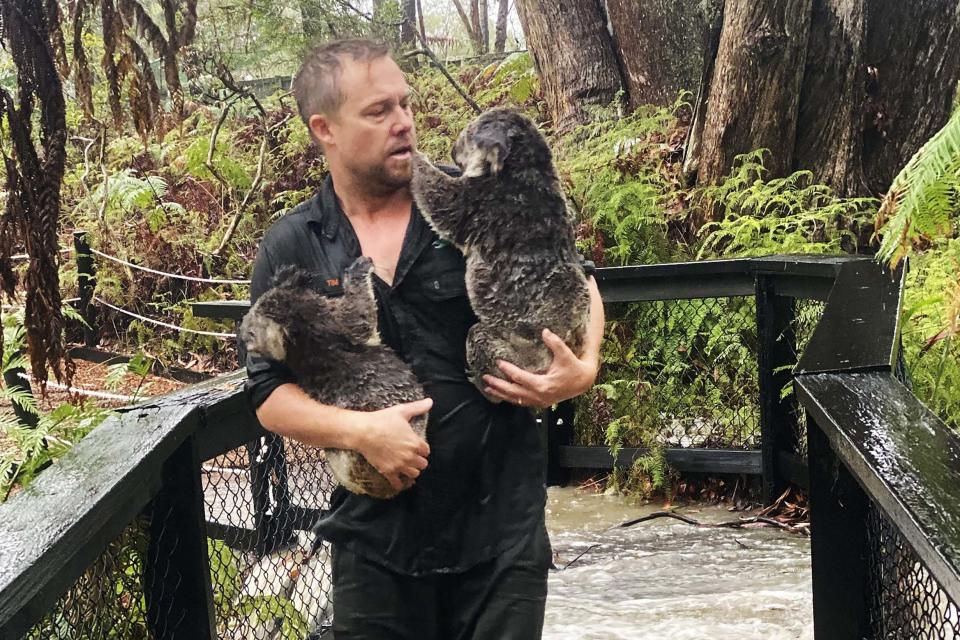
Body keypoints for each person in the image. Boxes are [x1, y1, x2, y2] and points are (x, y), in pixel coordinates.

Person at [245, 38, 605, 640]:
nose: (404, 123)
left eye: (405, 105)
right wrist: (360, 432)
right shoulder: (294, 244)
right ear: (324, 128)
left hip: (500, 535)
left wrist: (584, 365)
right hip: (375, 542)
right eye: (378, 110)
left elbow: (576, 277)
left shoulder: (470, 193)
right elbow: (266, 392)